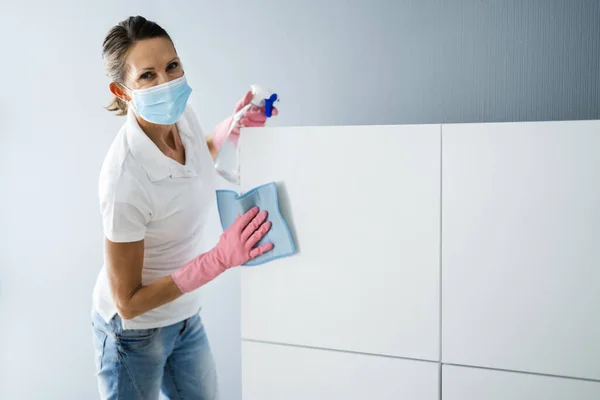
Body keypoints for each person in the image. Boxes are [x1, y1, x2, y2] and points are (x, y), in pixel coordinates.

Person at [91, 15, 276, 399]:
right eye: (147, 76)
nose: (167, 82)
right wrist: (218, 259)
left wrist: (231, 128)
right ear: (122, 90)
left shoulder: (179, 116)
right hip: (135, 334)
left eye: (172, 66)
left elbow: (194, 159)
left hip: (185, 316)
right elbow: (127, 302)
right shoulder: (124, 177)